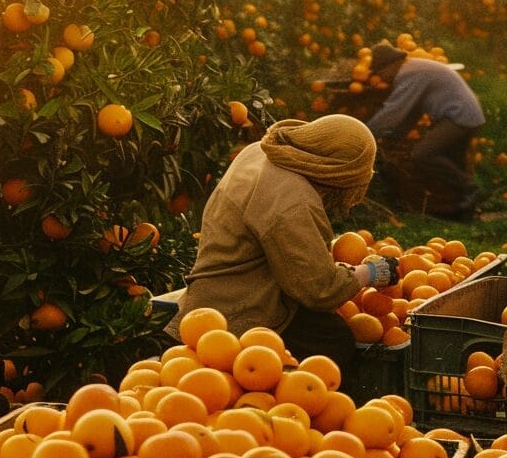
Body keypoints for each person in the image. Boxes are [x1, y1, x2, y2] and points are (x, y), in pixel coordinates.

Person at [166, 114, 401, 370]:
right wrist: (370, 272)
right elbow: (319, 290)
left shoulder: (261, 151)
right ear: (337, 170)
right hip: (237, 311)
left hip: (214, 291)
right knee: (333, 339)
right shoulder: (292, 200)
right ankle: (297, 397)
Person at [362, 41, 485, 220]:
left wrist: (364, 132)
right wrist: (394, 135)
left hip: (458, 116)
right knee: (453, 163)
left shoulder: (409, 74)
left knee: (423, 154)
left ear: (390, 66)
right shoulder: (415, 68)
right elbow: (412, 112)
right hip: (467, 114)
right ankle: (464, 210)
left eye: (381, 73)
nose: (382, 78)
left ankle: (471, 190)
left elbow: (394, 110)